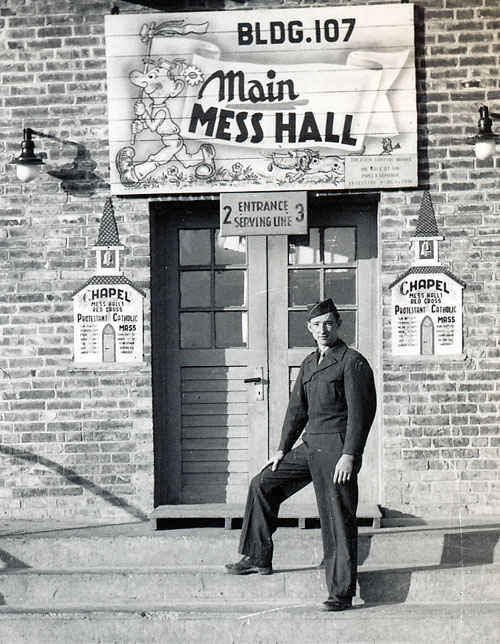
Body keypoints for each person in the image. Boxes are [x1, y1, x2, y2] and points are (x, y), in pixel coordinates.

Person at [225, 297, 377, 611]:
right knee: (262, 484)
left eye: (329, 323)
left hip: (336, 449)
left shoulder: (352, 361)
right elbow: (297, 410)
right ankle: (257, 555)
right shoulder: (309, 363)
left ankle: (341, 592)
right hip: (310, 446)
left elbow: (362, 414)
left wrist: (351, 454)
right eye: (317, 325)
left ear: (338, 325)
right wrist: (281, 449)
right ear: (309, 328)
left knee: (336, 518)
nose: (323, 329)